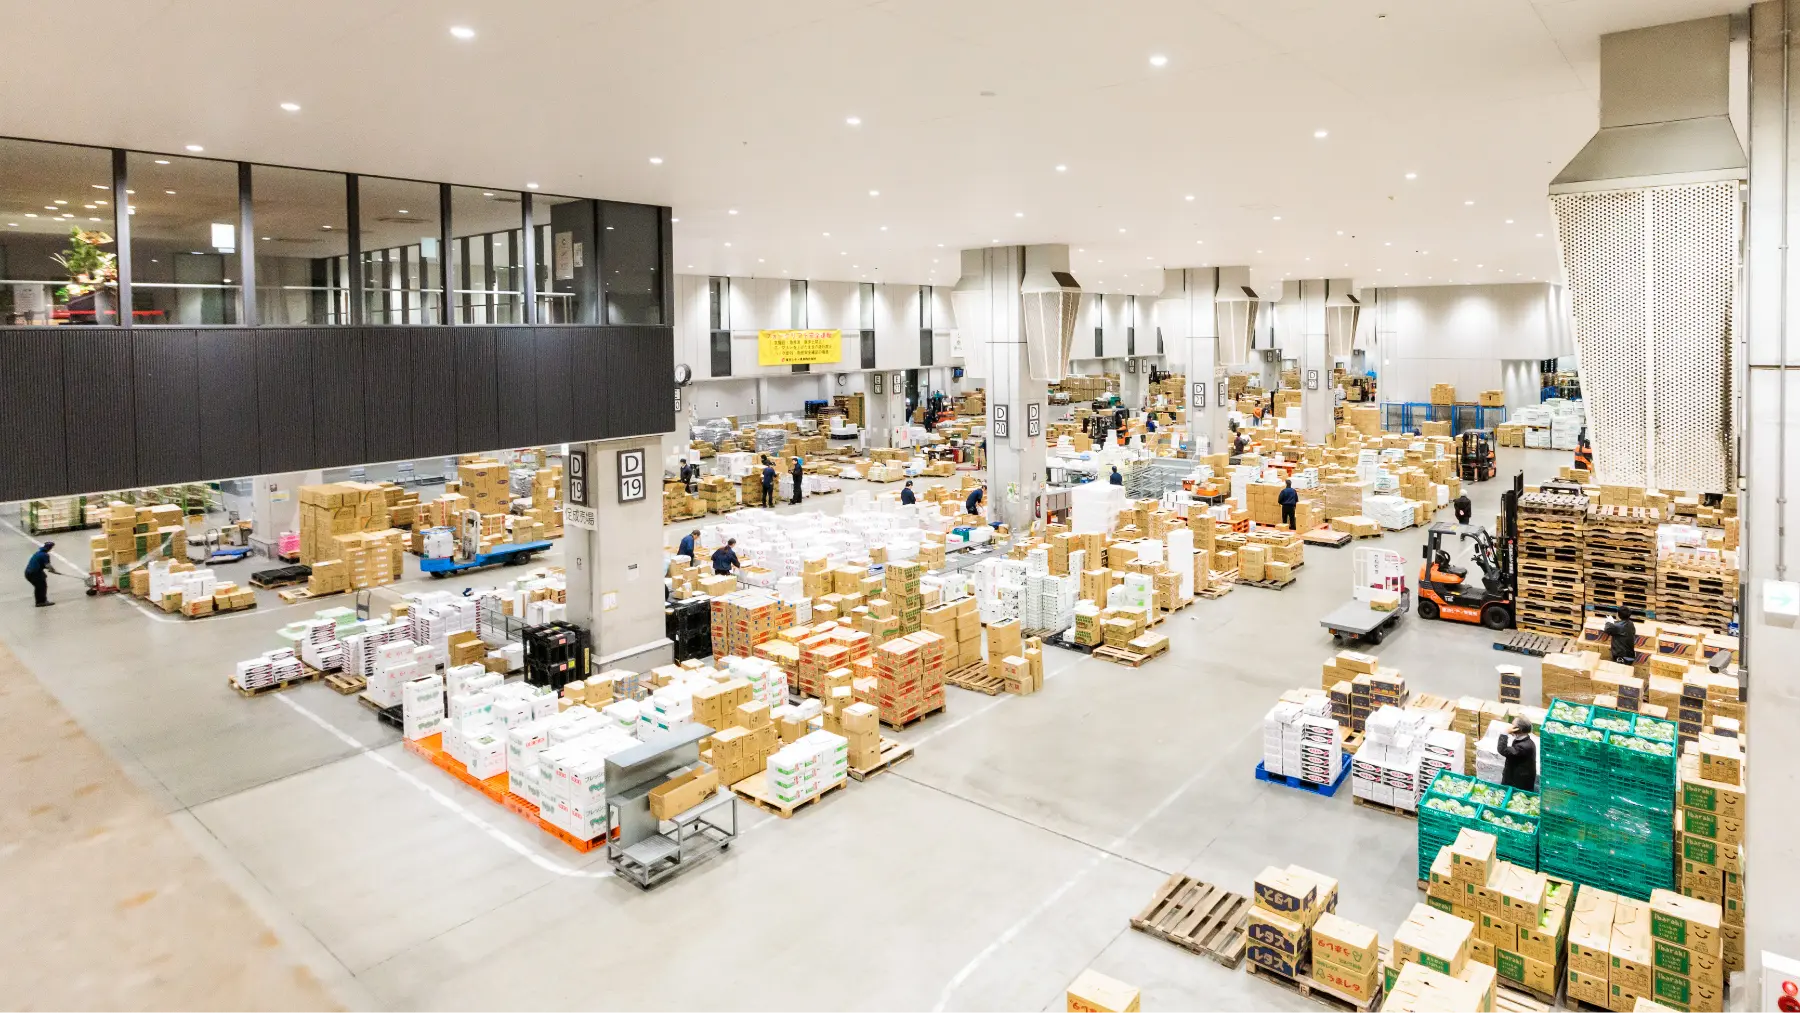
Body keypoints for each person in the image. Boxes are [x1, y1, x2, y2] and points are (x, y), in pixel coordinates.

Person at [1496, 717, 1538, 792]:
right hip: (1518, 776)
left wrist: (1504, 733)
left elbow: (1502, 750)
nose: (1510, 727)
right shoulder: (1525, 741)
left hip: (1518, 783)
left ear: (1517, 729)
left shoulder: (1523, 747)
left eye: (1512, 726)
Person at [24, 541, 57, 608]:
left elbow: (43, 564)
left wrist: (51, 570)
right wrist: (53, 571)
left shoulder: (38, 553)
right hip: (34, 573)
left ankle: (41, 601)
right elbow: (48, 565)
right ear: (50, 548)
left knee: (41, 584)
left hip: (29, 572)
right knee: (41, 586)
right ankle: (40, 602)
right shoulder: (45, 555)